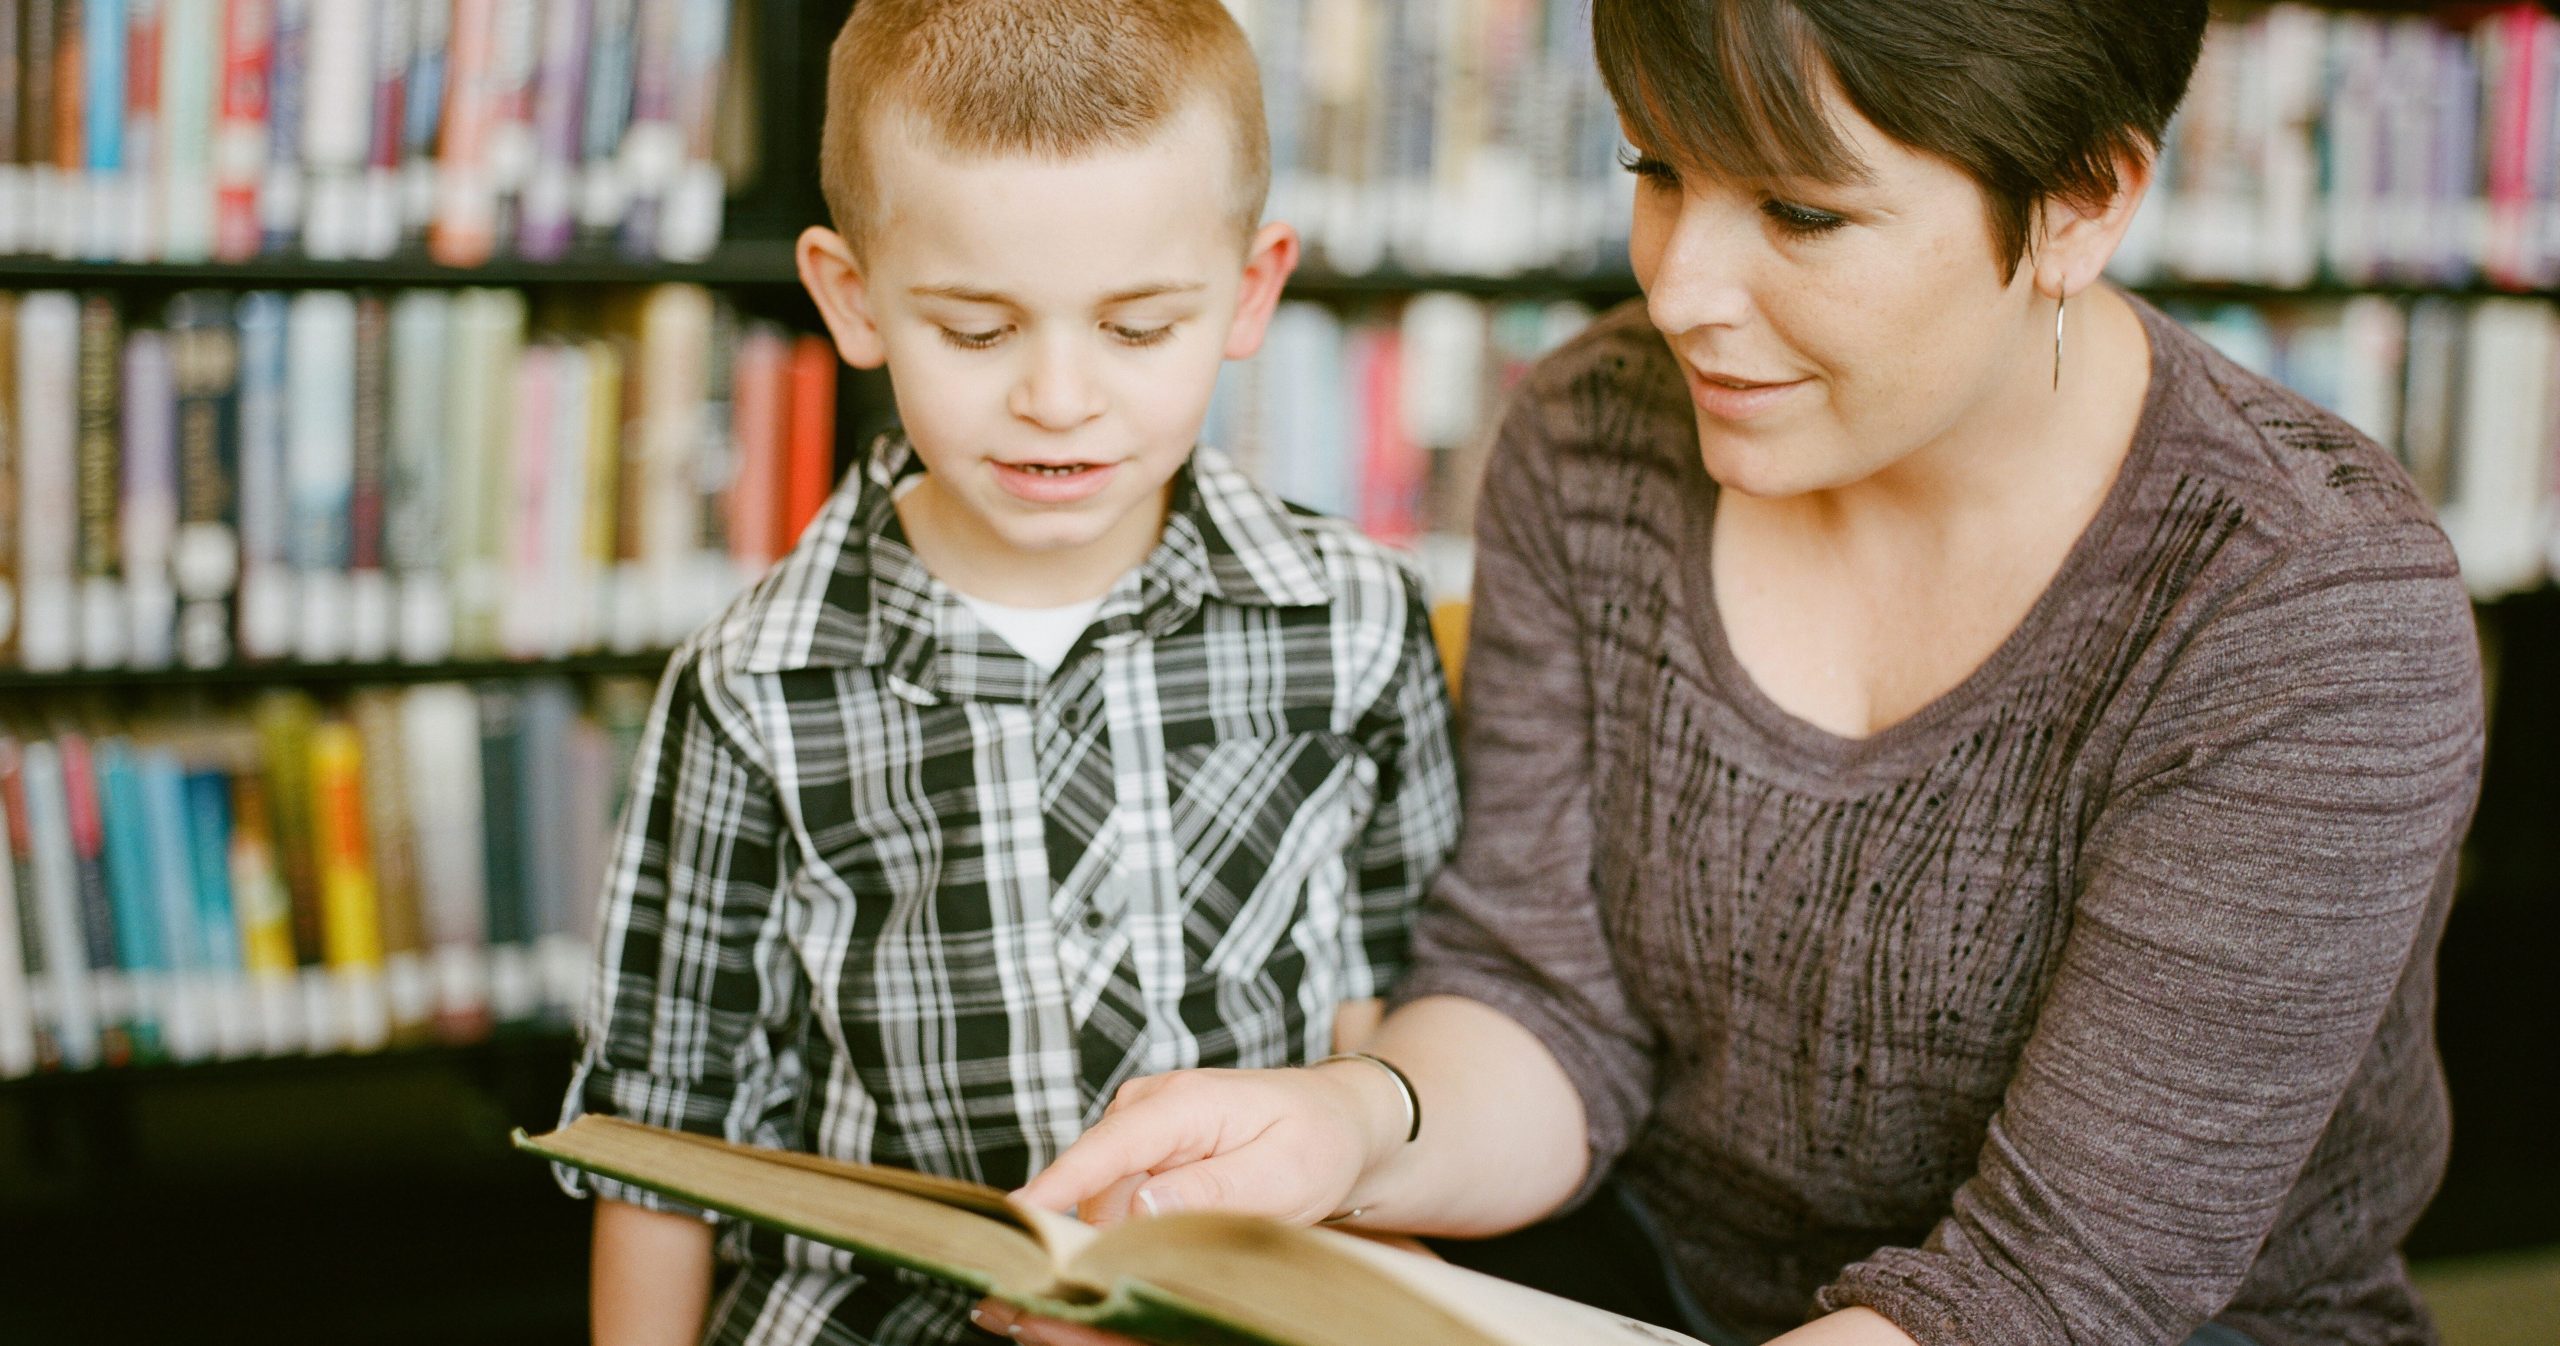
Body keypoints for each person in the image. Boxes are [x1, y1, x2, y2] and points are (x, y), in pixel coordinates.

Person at [1002, 2, 2486, 1345]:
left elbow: (2052, 1289)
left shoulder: (2304, 603)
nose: (1679, 289)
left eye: (1798, 209)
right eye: (1659, 171)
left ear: (2081, 205)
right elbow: (1544, 1001)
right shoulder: (1594, 434)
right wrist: (1348, 1125)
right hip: (1643, 1292)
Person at [554, 3, 1462, 1343]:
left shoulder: (1358, 620)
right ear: (852, 298)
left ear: (1252, 290)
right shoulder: (755, 684)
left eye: (1138, 328)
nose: (1057, 395)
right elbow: (659, 1122)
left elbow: (1414, 1012)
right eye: (977, 331)